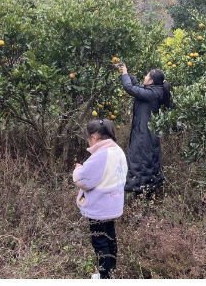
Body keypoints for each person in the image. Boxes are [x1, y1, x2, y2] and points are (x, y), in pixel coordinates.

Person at [73, 119, 128, 279]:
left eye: (88, 139)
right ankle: (110, 273)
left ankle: (105, 275)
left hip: (100, 207)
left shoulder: (101, 155)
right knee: (110, 238)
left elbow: (84, 181)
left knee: (100, 242)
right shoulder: (117, 150)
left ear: (94, 136)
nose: (88, 143)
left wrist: (78, 170)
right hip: (114, 204)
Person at [115, 63, 171, 197]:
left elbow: (129, 87)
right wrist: (125, 72)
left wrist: (124, 75)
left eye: (147, 75)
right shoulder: (152, 90)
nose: (144, 77)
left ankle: (141, 194)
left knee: (140, 161)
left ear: (151, 81)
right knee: (145, 162)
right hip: (144, 133)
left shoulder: (152, 94)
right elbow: (136, 85)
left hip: (144, 136)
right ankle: (144, 193)